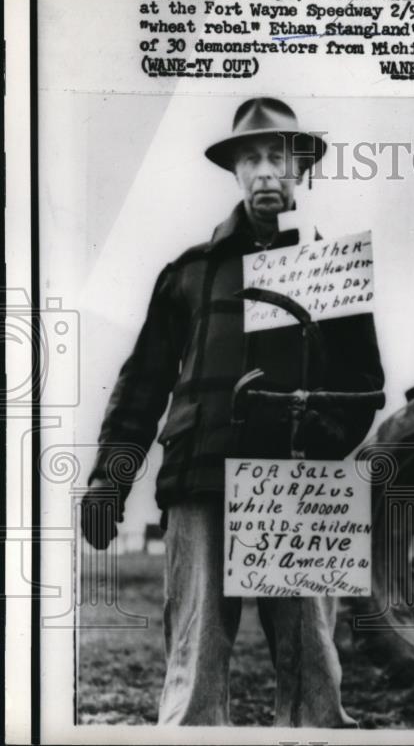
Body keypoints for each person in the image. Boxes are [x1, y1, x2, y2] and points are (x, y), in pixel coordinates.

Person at [81, 97, 384, 727]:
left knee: (313, 675)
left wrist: (320, 442)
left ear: (300, 170)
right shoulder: (189, 274)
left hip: (296, 490)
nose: (267, 171)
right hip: (200, 479)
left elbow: (363, 384)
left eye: (280, 157)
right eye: (253, 158)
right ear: (236, 171)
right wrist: (111, 477)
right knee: (194, 662)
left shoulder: (329, 273)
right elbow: (142, 385)